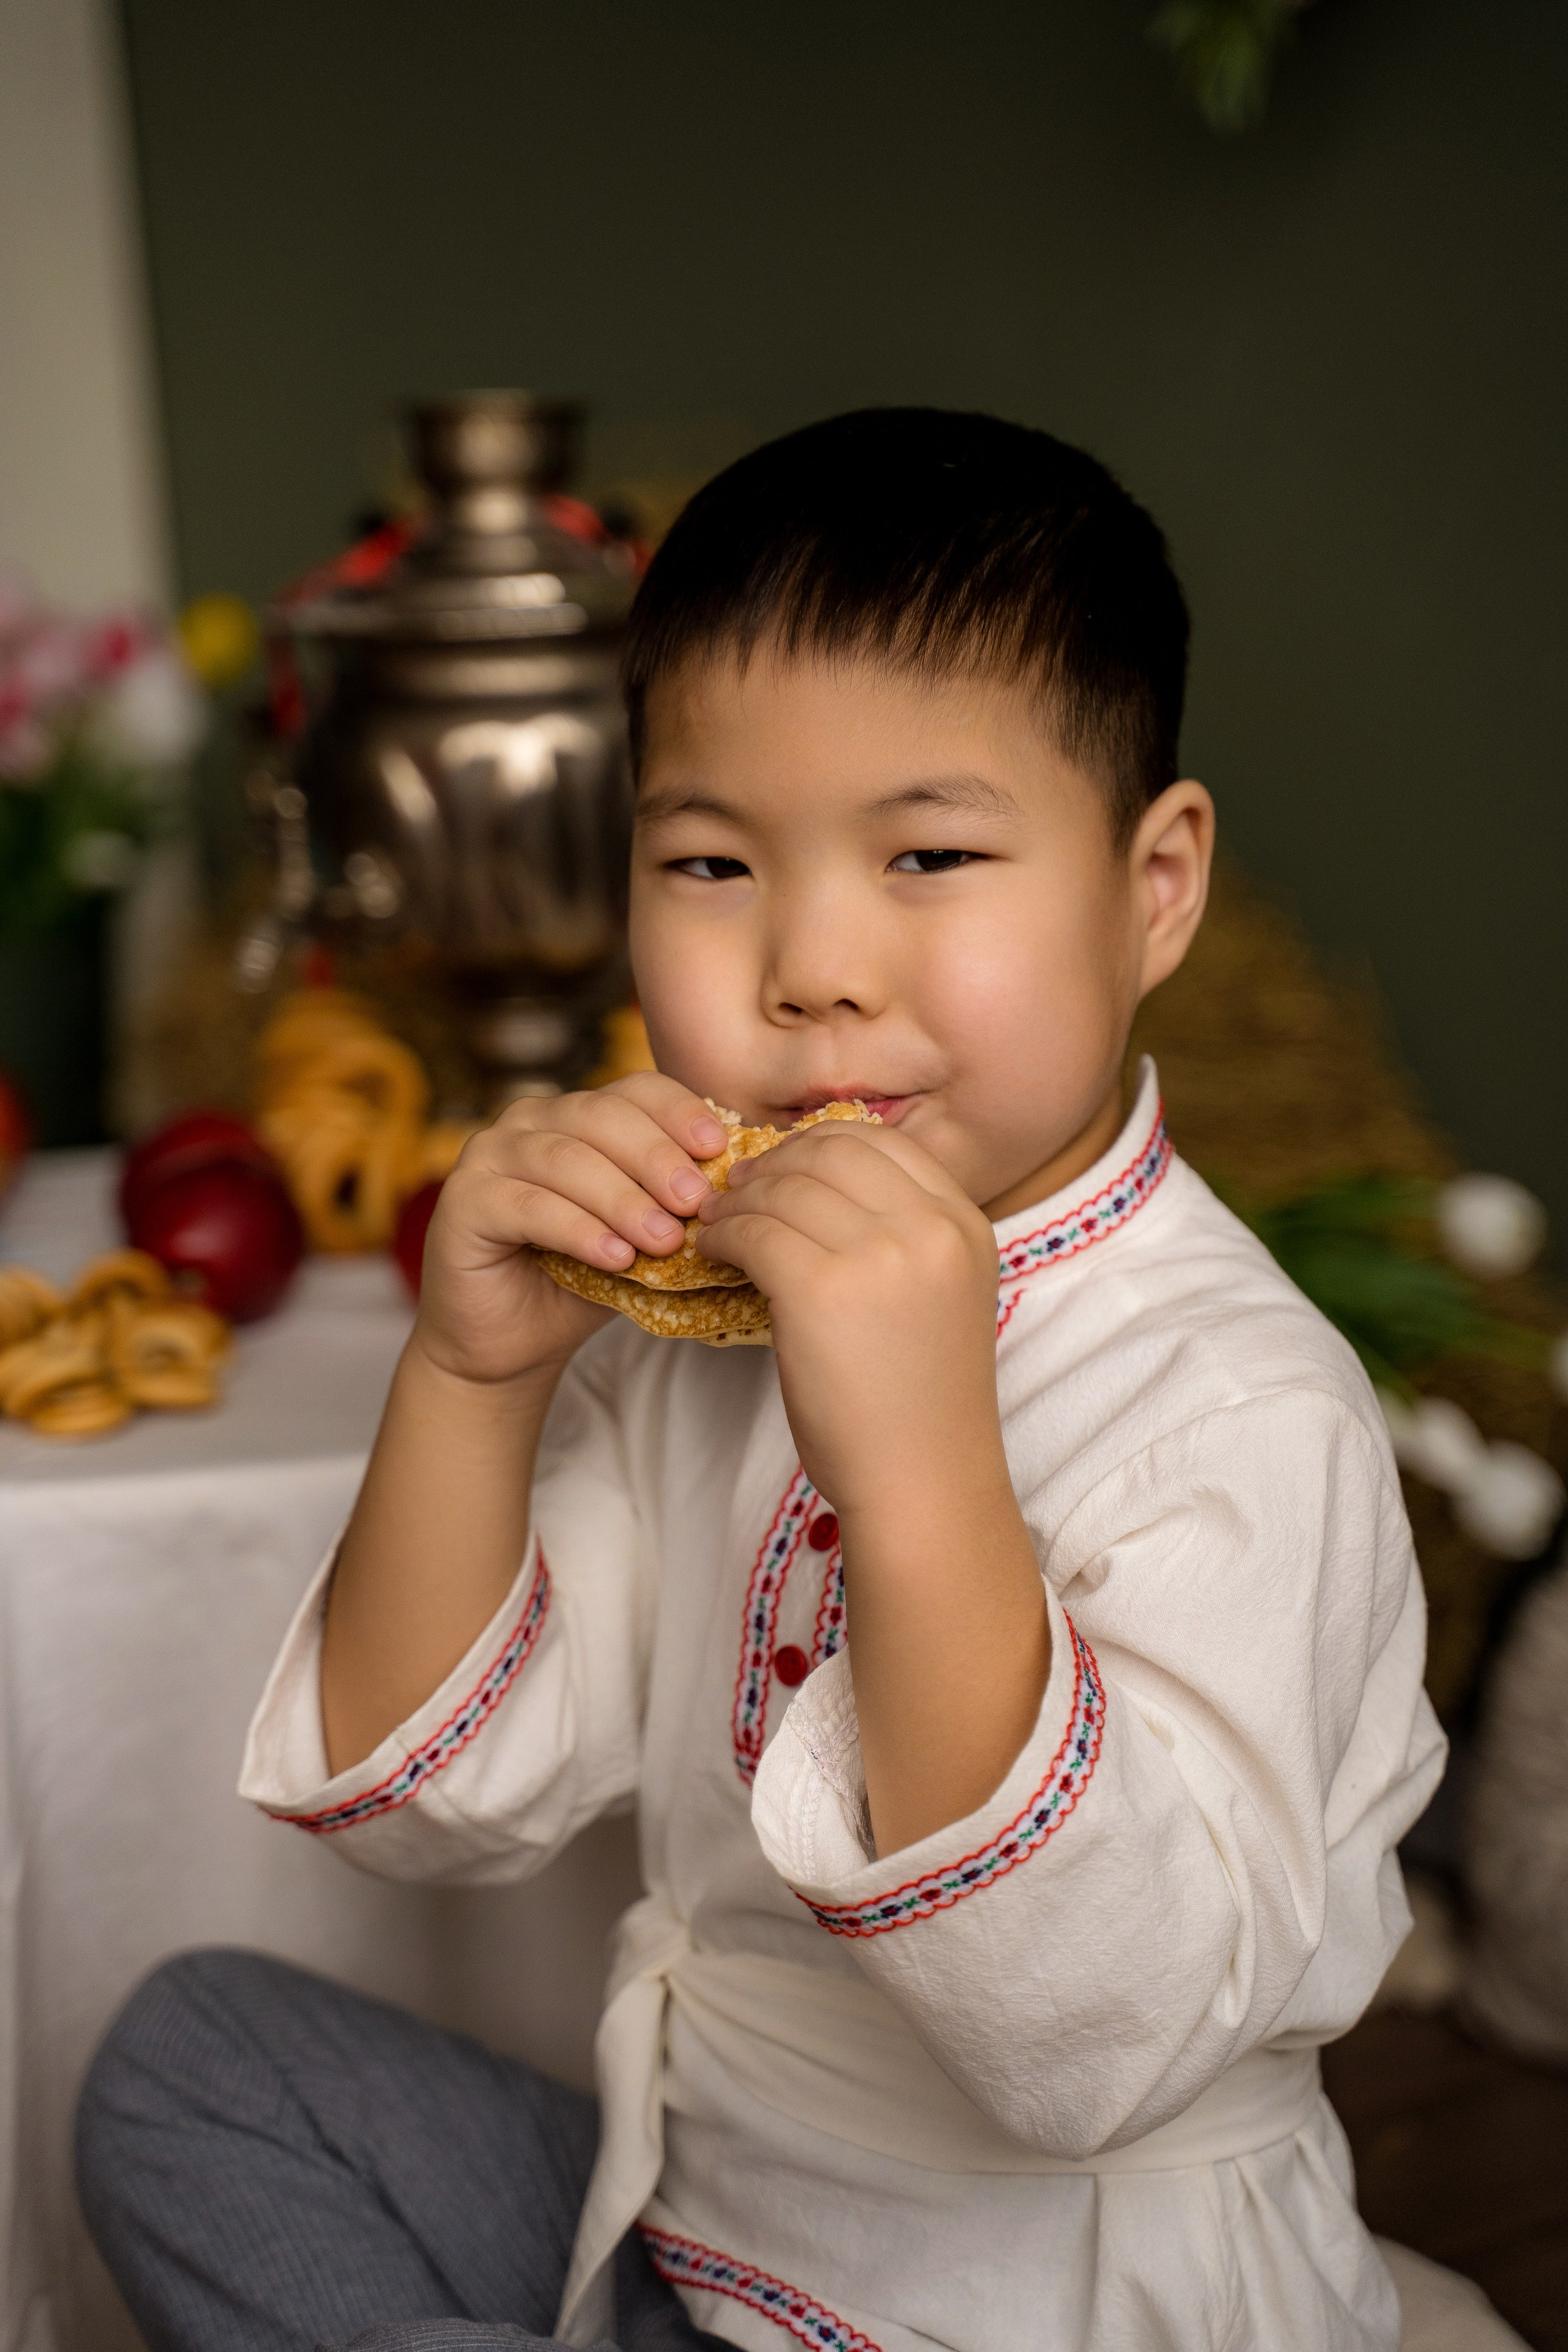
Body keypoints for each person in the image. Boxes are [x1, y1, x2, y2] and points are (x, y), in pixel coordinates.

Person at [77, 410, 1446, 2352]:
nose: (810, 964)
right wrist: (471, 1379)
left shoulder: (1240, 1406)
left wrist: (918, 1473)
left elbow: (1095, 2042)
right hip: (703, 2220)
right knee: (190, 2066)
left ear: (1155, 889)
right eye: (712, 859)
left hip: (1031, 2298)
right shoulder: (703, 1314)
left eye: (932, 853)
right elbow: (429, 1809)